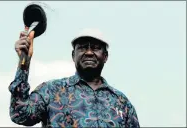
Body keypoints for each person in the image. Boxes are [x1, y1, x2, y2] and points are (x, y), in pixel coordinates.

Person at [9, 28, 140, 127]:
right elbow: (20, 114)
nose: (89, 52)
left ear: (105, 56)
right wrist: (24, 63)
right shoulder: (51, 91)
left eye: (95, 48)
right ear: (73, 55)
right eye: (83, 48)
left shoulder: (122, 103)